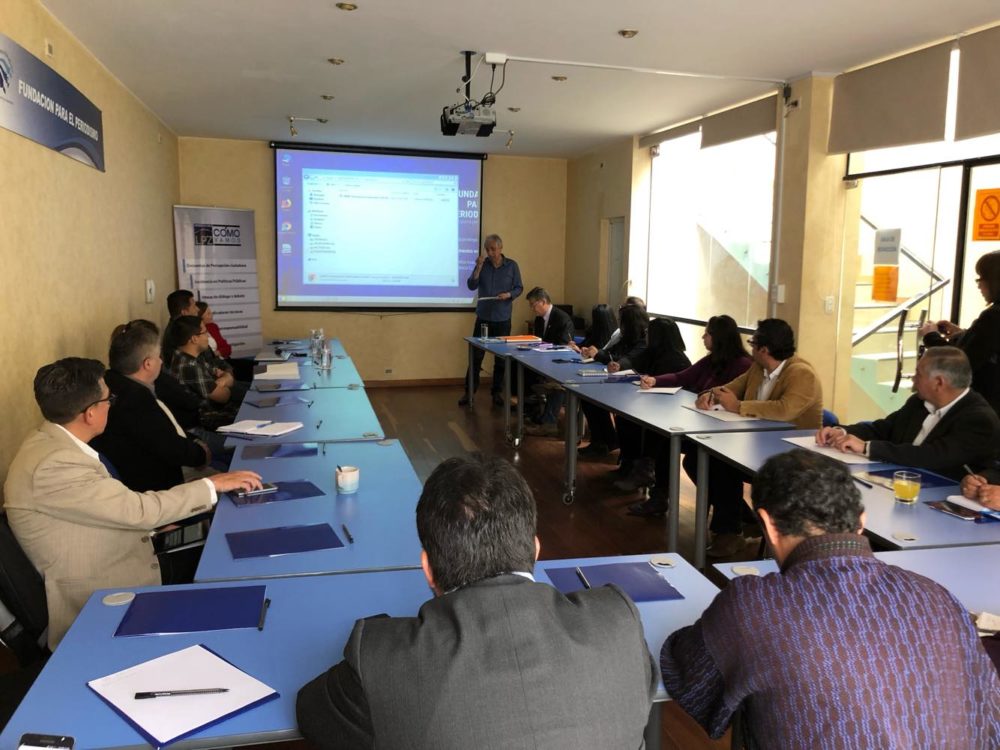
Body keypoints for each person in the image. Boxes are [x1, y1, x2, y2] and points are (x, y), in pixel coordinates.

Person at [296, 454, 656, 749]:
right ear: (535, 549)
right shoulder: (618, 622)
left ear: (427, 569)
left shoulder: (383, 658)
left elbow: (312, 714)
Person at [660, 449, 1000, 748]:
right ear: (862, 521)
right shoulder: (936, 595)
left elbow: (691, 680)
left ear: (768, 524)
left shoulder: (754, 605)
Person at [2, 357, 261, 648]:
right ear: (90, 413)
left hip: (119, 550)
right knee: (226, 559)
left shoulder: (51, 443)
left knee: (215, 537)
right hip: (104, 589)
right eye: (108, 399)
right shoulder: (55, 465)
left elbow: (104, 509)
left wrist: (154, 530)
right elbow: (139, 511)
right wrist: (213, 484)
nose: (111, 405)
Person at [693, 318, 822, 556]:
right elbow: (730, 387)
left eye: (753, 344)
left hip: (791, 454)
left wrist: (738, 406)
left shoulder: (802, 373)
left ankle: (730, 531)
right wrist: (710, 394)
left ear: (764, 349)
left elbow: (785, 410)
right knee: (698, 460)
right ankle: (741, 520)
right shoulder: (758, 368)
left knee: (720, 466)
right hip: (756, 445)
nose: (750, 349)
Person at [627, 315, 752, 514]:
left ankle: (736, 513)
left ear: (719, 337)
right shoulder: (711, 360)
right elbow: (682, 376)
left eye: (707, 334)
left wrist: (710, 397)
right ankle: (659, 496)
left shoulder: (743, 365)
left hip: (723, 433)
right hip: (701, 422)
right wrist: (655, 381)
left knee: (685, 454)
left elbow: (729, 396)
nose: (703, 337)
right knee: (664, 436)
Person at [816, 347, 1000, 479]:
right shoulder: (918, 402)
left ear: (939, 382)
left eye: (918, 374)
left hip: (940, 495)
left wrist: (866, 447)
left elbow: (931, 456)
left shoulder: (979, 419)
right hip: (894, 481)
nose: (913, 379)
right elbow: (884, 428)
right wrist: (842, 432)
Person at [91, 321, 213, 491]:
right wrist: (201, 454)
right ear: (148, 364)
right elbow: (170, 447)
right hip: (156, 488)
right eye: (158, 357)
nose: (161, 362)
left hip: (133, 478)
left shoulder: (110, 383)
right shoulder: (136, 399)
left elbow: (164, 433)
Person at [919, 250, 1000, 416]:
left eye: (981, 279)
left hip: (988, 403)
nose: (978, 285)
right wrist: (962, 334)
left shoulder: (993, 316)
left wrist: (931, 336)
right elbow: (986, 345)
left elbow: (961, 364)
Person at [459, 234, 523, 407]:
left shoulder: (512, 266)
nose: (490, 253)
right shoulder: (483, 265)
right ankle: (469, 392)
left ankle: (496, 393)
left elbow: (519, 288)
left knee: (501, 358)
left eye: (493, 249)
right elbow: (471, 285)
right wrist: (478, 268)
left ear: (501, 248)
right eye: (488, 249)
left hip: (502, 319)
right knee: (476, 357)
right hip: (484, 318)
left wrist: (509, 294)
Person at [578, 305, 649, 457]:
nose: (618, 323)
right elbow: (610, 353)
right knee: (588, 398)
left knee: (602, 402)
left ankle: (609, 443)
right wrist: (594, 352)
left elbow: (627, 360)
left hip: (635, 386)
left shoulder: (643, 342)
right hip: (620, 381)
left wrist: (601, 356)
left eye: (621, 320)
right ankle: (603, 440)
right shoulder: (625, 338)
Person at [167, 315, 241, 426]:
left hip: (218, 411)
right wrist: (226, 380)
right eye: (205, 332)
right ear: (194, 339)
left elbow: (224, 375)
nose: (208, 337)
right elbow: (224, 397)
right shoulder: (189, 366)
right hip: (211, 418)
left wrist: (223, 381)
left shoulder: (192, 357)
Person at [523, 287, 576, 437]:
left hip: (561, 363)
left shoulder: (562, 318)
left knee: (556, 384)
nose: (532, 309)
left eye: (533, 305)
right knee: (521, 369)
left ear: (543, 301)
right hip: (544, 360)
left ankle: (548, 421)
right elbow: (539, 341)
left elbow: (564, 346)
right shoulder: (539, 320)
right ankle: (533, 411)